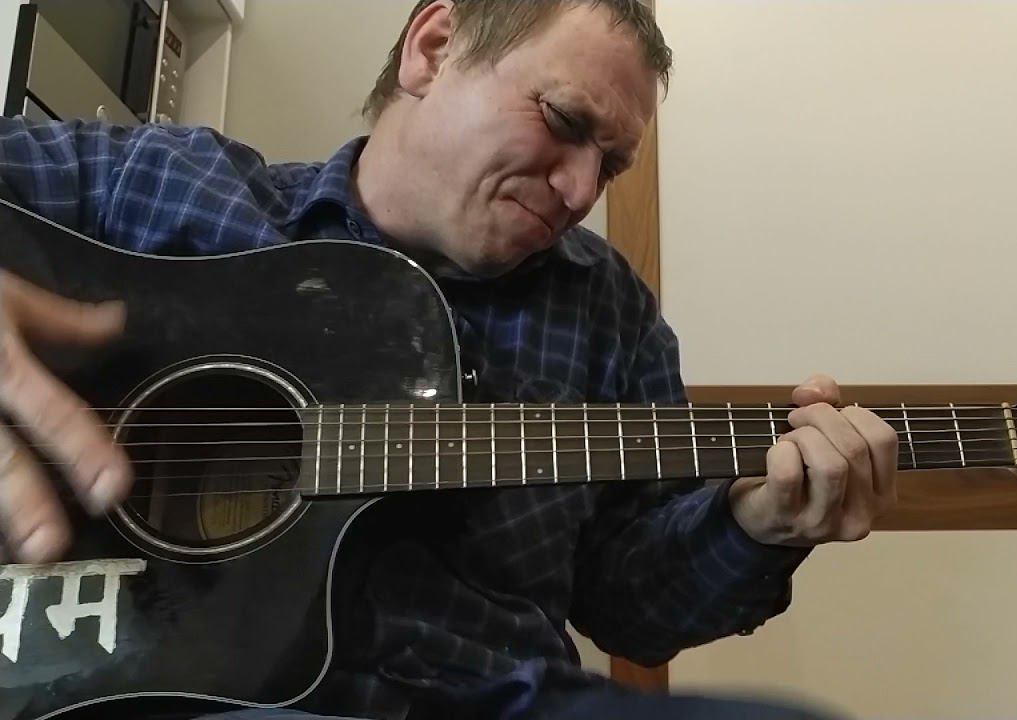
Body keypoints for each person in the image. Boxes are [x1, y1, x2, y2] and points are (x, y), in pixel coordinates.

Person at [0, 1, 898, 718]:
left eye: (611, 167)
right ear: (432, 49)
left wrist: (758, 523)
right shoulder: (158, 184)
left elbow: (631, 607)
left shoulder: (609, 309)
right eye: (564, 121)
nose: (581, 190)